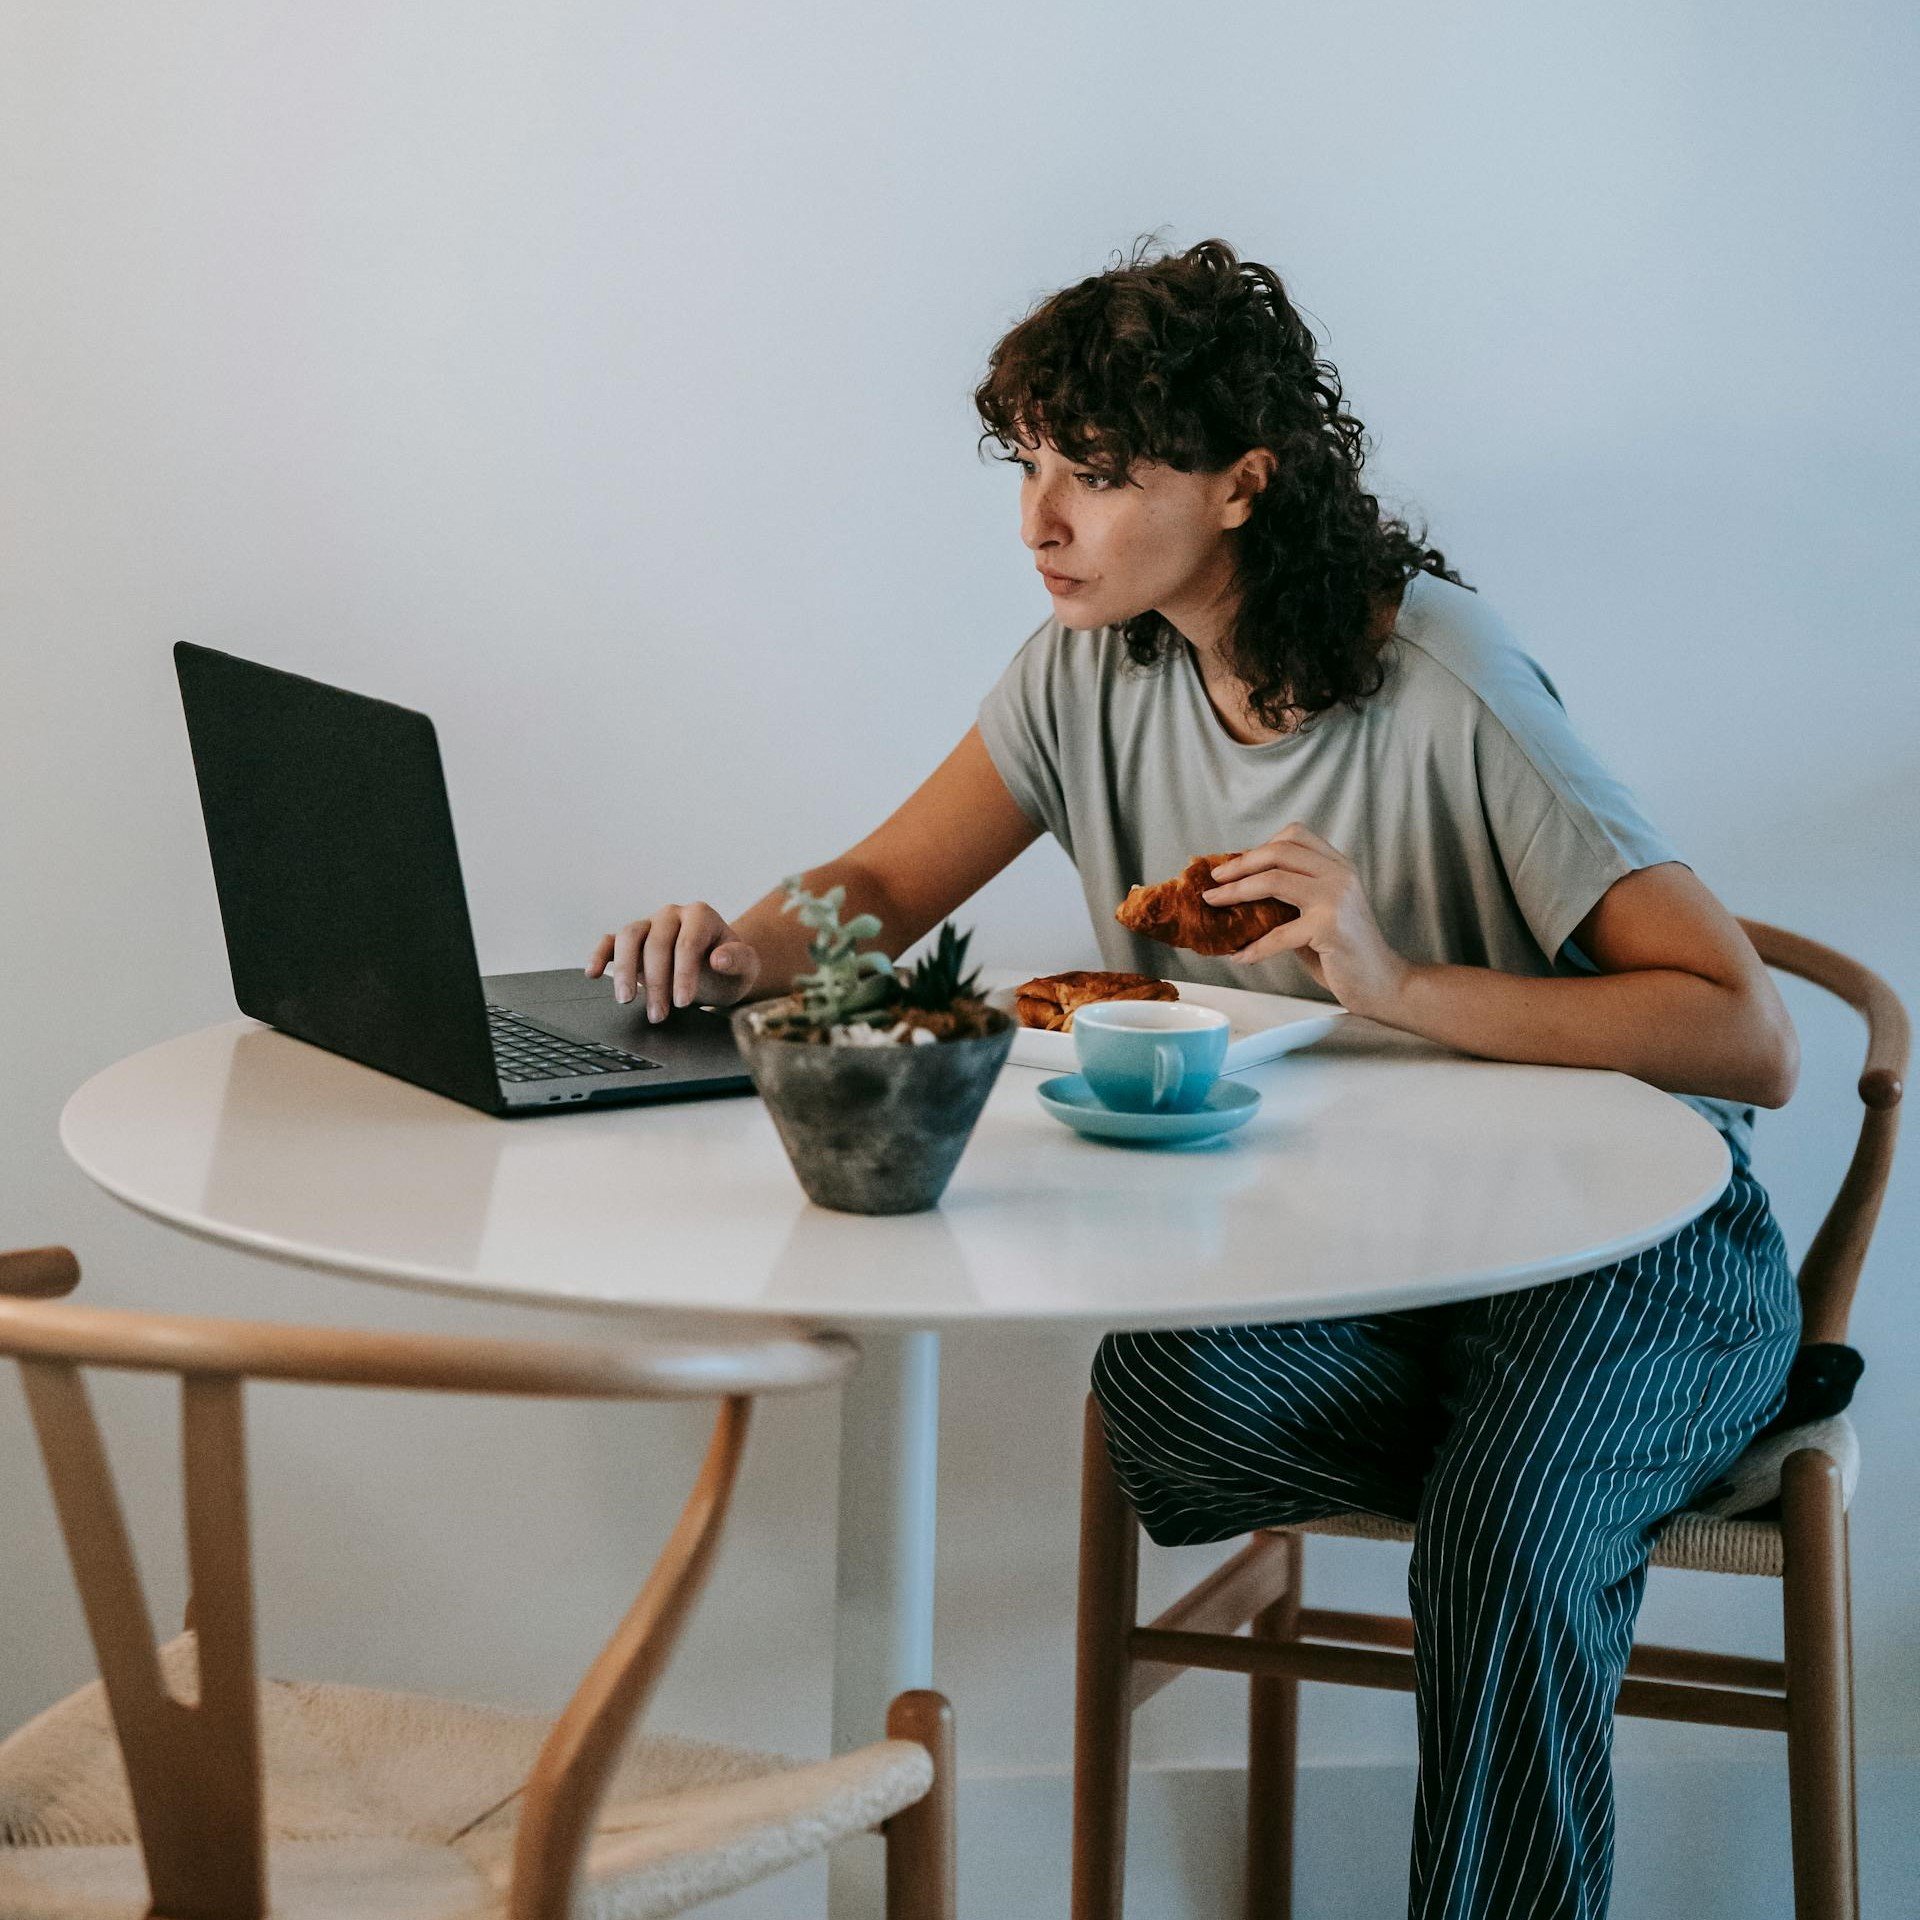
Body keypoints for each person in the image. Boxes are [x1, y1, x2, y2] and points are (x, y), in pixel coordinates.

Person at [585, 236, 1801, 1920]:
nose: (1040, 520)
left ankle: (1567, 1471)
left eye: (1095, 472)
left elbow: (1747, 1031)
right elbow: (876, 893)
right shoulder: (1089, 664)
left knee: (1509, 1539)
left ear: (1244, 484)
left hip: (1627, 1247)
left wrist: (1395, 983)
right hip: (1373, 1253)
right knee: (1167, 1400)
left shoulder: (1442, 676)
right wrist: (729, 953)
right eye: (1027, 464)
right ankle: (1542, 1459)